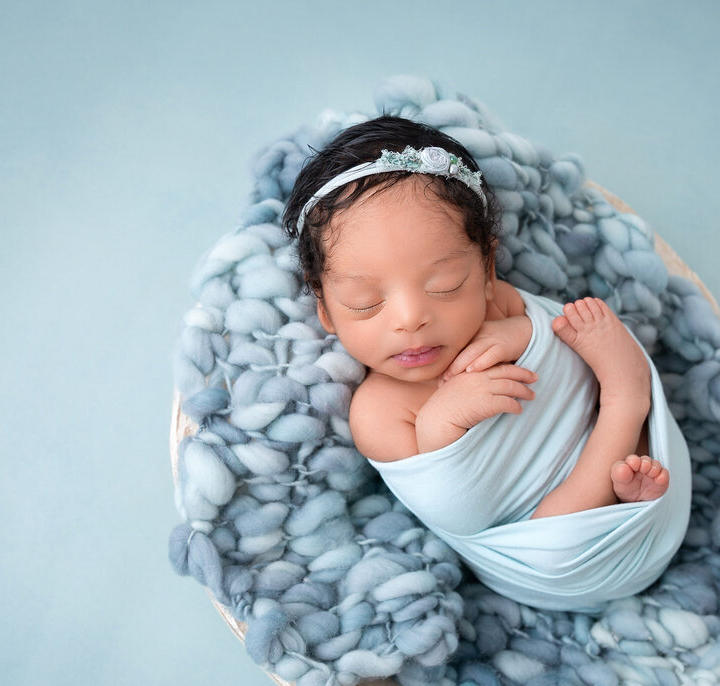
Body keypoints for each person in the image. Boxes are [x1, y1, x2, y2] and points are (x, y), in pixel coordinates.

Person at [282, 117, 691, 610]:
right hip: (560, 555)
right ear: (325, 308)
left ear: (487, 271)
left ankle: (627, 451)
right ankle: (628, 399)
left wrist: (524, 332)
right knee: (553, 549)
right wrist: (443, 420)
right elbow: (459, 511)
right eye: (366, 302)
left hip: (652, 492)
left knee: (595, 327)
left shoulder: (498, 305)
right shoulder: (379, 409)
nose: (412, 319)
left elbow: (562, 335)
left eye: (445, 286)